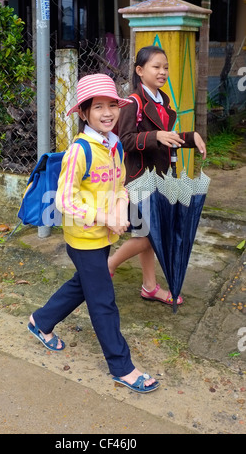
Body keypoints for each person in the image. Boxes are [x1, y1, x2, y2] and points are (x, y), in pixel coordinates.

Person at [28, 73, 160, 394]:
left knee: (83, 286)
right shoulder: (80, 150)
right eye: (97, 106)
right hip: (84, 239)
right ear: (84, 113)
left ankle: (40, 321)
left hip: (103, 236)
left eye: (112, 105)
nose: (107, 112)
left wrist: (119, 209)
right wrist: (104, 215)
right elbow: (63, 199)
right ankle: (122, 367)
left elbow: (120, 186)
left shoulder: (113, 144)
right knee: (103, 301)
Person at [108, 46, 207, 306]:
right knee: (150, 235)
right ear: (140, 71)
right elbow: (126, 141)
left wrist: (190, 137)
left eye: (165, 67)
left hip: (159, 179)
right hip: (139, 180)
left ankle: (149, 287)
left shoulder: (162, 101)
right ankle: (109, 265)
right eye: (156, 67)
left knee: (147, 236)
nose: (162, 72)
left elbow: (166, 138)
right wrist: (155, 136)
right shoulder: (132, 102)